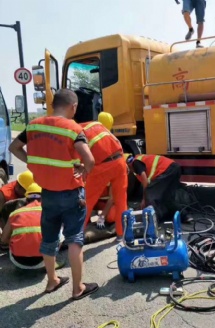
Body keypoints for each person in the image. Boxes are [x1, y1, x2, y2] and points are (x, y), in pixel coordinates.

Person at [9, 88, 98, 300]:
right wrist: (84, 169)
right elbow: (90, 160)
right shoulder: (72, 128)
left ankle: (52, 281)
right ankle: (78, 289)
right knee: (74, 240)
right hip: (72, 193)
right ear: (73, 107)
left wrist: (32, 162)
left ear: (53, 105)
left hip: (47, 194)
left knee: (49, 238)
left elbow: (15, 147)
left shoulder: (33, 125)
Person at [81, 112, 127, 239]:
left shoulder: (77, 132)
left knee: (87, 201)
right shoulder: (99, 127)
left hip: (102, 166)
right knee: (121, 201)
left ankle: (77, 236)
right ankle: (121, 234)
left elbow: (81, 157)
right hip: (119, 162)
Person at [0, 183, 64, 270]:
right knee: (60, 232)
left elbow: (3, 239)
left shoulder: (15, 213)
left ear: (26, 199)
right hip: (43, 260)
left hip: (17, 261)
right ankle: (51, 263)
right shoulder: (51, 212)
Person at [126, 154, 192, 223]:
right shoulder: (137, 161)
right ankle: (185, 216)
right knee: (167, 199)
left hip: (167, 170)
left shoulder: (135, 163)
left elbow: (144, 180)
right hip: (174, 169)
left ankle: (152, 220)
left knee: (150, 195)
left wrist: (144, 198)